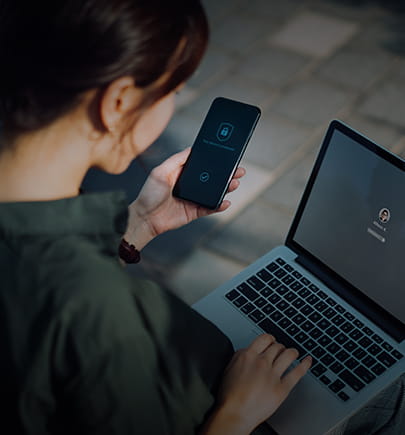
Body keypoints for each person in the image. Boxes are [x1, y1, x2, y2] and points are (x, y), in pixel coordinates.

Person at [0, 1, 403, 434]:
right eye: (172, 90)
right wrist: (237, 412)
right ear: (117, 102)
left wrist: (140, 224)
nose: (172, 104)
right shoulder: (101, 313)